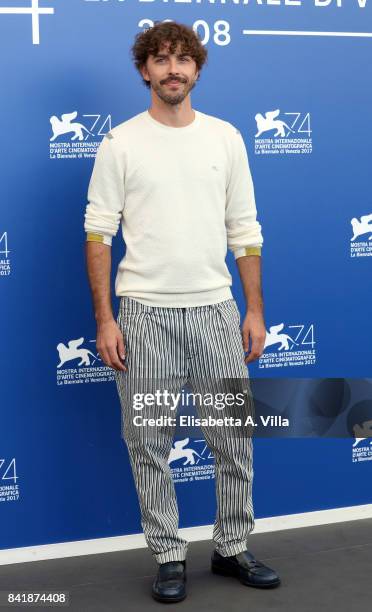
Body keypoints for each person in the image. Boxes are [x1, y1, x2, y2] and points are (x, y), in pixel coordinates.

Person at [84, 20, 281, 603]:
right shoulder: (120, 143)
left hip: (218, 314)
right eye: (161, 59)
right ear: (145, 70)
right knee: (147, 440)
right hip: (143, 315)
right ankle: (169, 555)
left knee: (233, 437)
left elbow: (245, 232)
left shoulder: (226, 138)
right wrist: (105, 320)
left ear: (196, 68)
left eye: (183, 59)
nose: (173, 69)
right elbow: (98, 235)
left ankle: (232, 547)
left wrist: (254, 311)